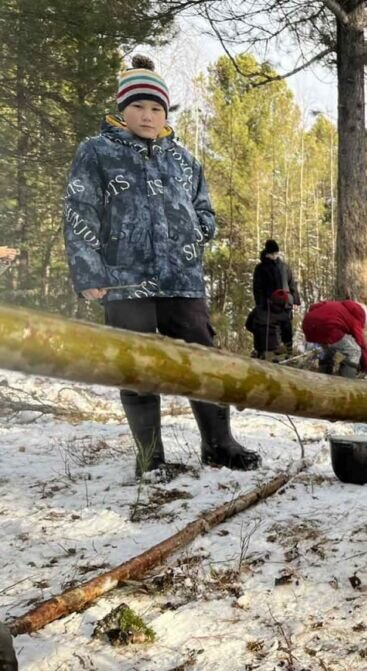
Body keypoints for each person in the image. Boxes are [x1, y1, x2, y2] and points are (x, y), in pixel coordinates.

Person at [63, 55, 261, 476]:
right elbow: (80, 212)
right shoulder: (96, 152)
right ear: (122, 109)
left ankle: (219, 444)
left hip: (182, 279)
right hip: (124, 281)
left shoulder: (185, 159)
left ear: (166, 113)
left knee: (203, 361)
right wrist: (89, 272)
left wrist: (198, 230)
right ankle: (150, 457)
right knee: (137, 367)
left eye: (156, 108)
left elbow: (205, 209)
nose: (147, 116)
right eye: (138, 106)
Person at [302, 300, 367, 378]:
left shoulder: (339, 305)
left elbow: (313, 307)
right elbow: (361, 344)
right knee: (354, 351)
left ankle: (323, 378)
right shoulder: (358, 316)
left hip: (308, 324)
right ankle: (347, 382)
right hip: (329, 328)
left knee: (329, 350)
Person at [251, 239, 300, 357]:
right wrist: (261, 303)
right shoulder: (260, 268)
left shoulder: (284, 267)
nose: (274, 255)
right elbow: (257, 288)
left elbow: (292, 284)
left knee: (287, 329)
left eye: (276, 253)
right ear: (267, 253)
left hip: (285, 304)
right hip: (269, 306)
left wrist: (295, 300)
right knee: (271, 331)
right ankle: (268, 353)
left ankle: (288, 352)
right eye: (272, 253)